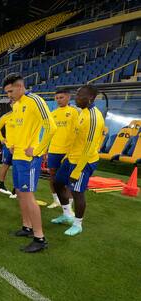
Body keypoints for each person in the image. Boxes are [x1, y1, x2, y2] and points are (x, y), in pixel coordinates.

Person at [3, 73, 56, 253]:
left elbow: (51, 126)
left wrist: (39, 150)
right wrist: (12, 145)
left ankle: (39, 238)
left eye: (10, 91)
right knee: (20, 192)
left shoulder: (35, 100)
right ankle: (27, 226)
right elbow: (19, 129)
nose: (9, 95)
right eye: (7, 92)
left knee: (28, 195)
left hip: (29, 158)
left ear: (20, 86)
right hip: (18, 155)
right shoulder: (17, 105)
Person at [51, 85, 105, 236]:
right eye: (77, 95)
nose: (76, 98)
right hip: (71, 158)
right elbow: (77, 139)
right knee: (57, 183)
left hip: (84, 161)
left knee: (77, 192)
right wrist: (68, 156)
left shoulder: (93, 117)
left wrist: (77, 169)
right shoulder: (83, 112)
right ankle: (67, 214)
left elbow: (89, 148)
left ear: (90, 98)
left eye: (80, 96)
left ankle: (78, 224)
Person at [47, 89, 79, 209]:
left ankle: (69, 202)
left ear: (68, 97)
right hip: (53, 150)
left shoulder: (74, 112)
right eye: (57, 98)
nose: (59, 100)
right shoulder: (53, 113)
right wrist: (46, 148)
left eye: (61, 97)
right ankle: (56, 200)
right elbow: (49, 132)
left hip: (68, 151)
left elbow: (77, 132)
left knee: (67, 177)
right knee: (52, 176)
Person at [0, 100, 17, 198]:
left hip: (20, 147)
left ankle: (16, 189)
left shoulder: (25, 115)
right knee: (5, 165)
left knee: (17, 168)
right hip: (8, 146)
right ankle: (1, 185)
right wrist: (2, 139)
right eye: (13, 103)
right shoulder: (6, 116)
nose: (15, 105)